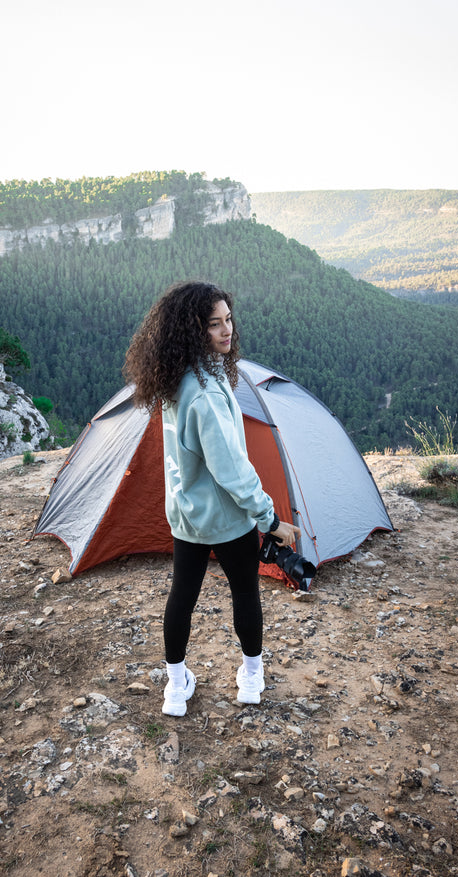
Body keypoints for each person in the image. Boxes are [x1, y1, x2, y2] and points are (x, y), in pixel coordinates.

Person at [123, 281, 301, 716]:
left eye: (228, 320)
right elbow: (232, 471)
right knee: (245, 593)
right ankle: (252, 678)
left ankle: (176, 687)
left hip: (187, 514)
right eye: (214, 324)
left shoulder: (180, 379)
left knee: (182, 597)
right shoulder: (204, 392)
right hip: (227, 518)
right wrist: (270, 520)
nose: (226, 330)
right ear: (193, 330)